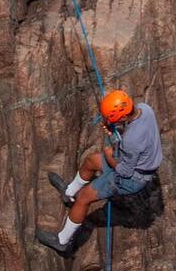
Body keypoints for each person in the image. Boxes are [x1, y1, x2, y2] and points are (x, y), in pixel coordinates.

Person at [34, 88, 162, 255]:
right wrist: (115, 130)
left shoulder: (132, 141)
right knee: (91, 161)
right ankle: (69, 193)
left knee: (84, 198)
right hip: (135, 161)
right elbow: (133, 135)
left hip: (131, 178)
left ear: (123, 117)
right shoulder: (145, 109)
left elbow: (124, 171)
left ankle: (62, 242)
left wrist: (109, 155)